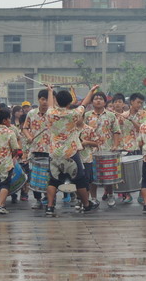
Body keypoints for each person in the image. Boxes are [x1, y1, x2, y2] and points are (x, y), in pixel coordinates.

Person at [45, 85, 99, 216]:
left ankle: (50, 207)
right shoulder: (74, 114)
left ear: (57, 101)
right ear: (70, 102)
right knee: (80, 179)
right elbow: (84, 104)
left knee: (53, 180)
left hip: (54, 152)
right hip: (70, 152)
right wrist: (91, 91)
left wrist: (50, 91)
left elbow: (50, 106)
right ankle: (86, 205)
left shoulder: (50, 113)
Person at [84, 92, 121, 207]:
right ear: (92, 102)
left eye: (101, 99)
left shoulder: (111, 115)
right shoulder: (87, 116)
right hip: (90, 150)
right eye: (96, 99)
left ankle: (110, 195)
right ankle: (94, 198)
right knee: (92, 176)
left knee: (108, 175)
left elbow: (116, 131)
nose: (98, 101)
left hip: (107, 149)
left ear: (105, 102)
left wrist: (115, 145)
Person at [23, 89, 52, 209]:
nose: (45, 102)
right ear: (39, 100)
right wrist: (29, 136)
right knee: (35, 176)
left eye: (47, 99)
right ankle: (38, 199)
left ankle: (49, 198)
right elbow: (25, 128)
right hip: (35, 149)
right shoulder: (31, 114)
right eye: (42, 99)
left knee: (49, 176)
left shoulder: (53, 114)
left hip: (50, 150)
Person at [116, 93, 146, 203]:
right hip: (126, 146)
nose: (139, 105)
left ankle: (141, 194)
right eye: (138, 102)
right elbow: (118, 131)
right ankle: (127, 195)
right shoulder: (123, 115)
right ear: (132, 102)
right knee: (125, 172)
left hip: (139, 146)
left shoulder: (144, 115)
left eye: (141, 103)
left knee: (141, 172)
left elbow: (142, 129)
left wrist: (131, 120)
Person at [0, 109, 20, 214]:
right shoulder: (10, 132)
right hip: (6, 163)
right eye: (8, 118)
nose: (10, 121)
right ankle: (1, 206)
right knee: (5, 184)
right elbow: (15, 148)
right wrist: (14, 155)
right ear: (4, 120)